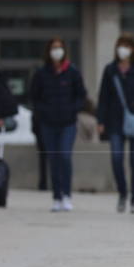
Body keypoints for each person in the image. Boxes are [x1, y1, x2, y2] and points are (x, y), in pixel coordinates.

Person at [95, 34, 134, 213]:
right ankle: (122, 193)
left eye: (127, 46)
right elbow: (103, 96)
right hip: (115, 120)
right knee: (116, 158)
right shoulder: (110, 69)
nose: (124, 49)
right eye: (121, 46)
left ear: (133, 49)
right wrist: (100, 119)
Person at [29, 37, 85, 212]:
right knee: (53, 159)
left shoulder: (73, 72)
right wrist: (43, 112)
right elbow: (34, 97)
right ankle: (57, 196)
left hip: (68, 123)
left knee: (65, 157)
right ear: (48, 51)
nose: (57, 51)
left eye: (59, 47)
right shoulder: (41, 73)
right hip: (48, 123)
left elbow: (81, 95)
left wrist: (72, 109)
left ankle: (67, 195)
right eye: (54, 48)